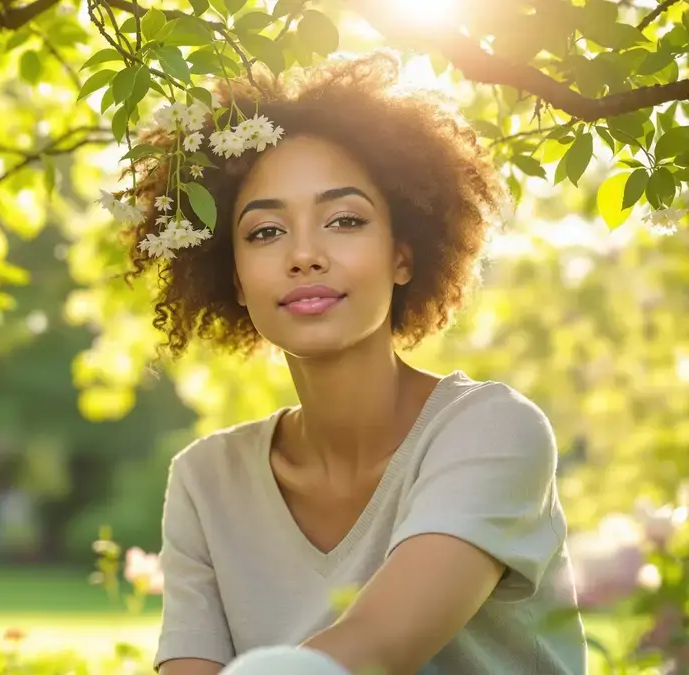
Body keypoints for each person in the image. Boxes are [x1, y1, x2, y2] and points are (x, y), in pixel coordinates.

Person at [122, 52, 588, 675]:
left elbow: (376, 647)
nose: (304, 254)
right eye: (265, 232)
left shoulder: (493, 431)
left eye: (344, 221)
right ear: (233, 277)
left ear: (402, 256)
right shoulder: (207, 480)